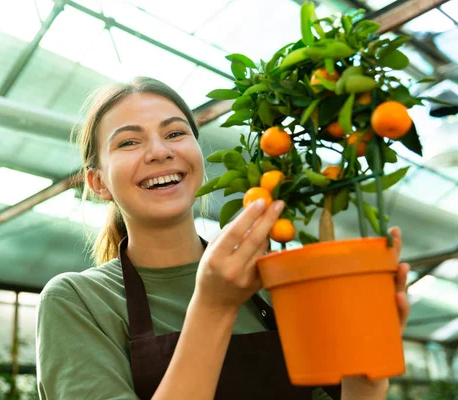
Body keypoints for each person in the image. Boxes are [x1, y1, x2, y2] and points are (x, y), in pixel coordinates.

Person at [35, 77, 411, 400]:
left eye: (175, 133)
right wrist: (214, 306)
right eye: (129, 143)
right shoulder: (78, 301)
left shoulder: (272, 280)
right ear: (98, 182)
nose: (160, 151)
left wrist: (368, 370)